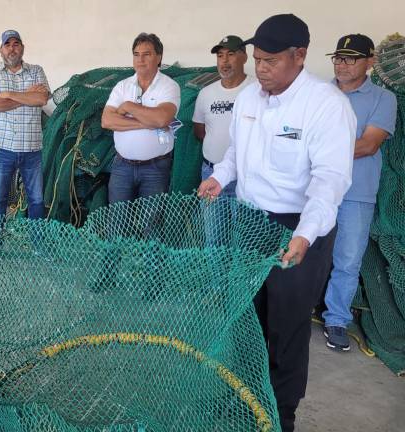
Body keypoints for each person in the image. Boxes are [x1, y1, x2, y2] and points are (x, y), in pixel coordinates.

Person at [197, 14, 356, 432]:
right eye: (257, 60)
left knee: (286, 325)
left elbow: (329, 181)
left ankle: (280, 413)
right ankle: (241, 396)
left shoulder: (326, 106)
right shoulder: (250, 98)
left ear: (299, 55)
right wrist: (219, 177)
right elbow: (236, 154)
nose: (261, 69)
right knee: (246, 317)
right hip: (250, 223)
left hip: (299, 228)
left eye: (270, 61)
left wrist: (305, 234)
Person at [322, 34, 397, 351]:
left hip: (356, 192)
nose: (341, 64)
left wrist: (317, 152)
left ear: (370, 62)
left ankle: (336, 319)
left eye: (350, 58)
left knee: (348, 259)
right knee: (303, 250)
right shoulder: (319, 93)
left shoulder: (383, 98)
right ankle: (297, 309)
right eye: (338, 58)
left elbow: (368, 145)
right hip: (315, 189)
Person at [0, 30, 50, 223]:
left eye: (16, 44)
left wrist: (8, 94)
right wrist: (27, 96)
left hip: (31, 148)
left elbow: (42, 99)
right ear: (1, 50)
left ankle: (37, 240)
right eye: (7, 44)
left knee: (37, 199)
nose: (12, 48)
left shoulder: (36, 71)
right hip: (2, 148)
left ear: (22, 48)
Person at [102, 32, 180, 204]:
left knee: (151, 219)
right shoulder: (122, 86)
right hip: (122, 166)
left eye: (147, 54)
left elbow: (162, 119)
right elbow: (107, 121)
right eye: (136, 54)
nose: (140, 60)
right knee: (117, 217)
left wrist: (129, 106)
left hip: (156, 168)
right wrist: (147, 123)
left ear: (159, 57)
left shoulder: (169, 86)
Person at [192, 35, 252, 197]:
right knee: (211, 215)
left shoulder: (257, 89)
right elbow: (199, 131)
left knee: (245, 215)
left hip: (246, 175)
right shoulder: (206, 93)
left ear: (245, 57)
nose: (224, 61)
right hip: (210, 172)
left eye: (231, 54)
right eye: (220, 56)